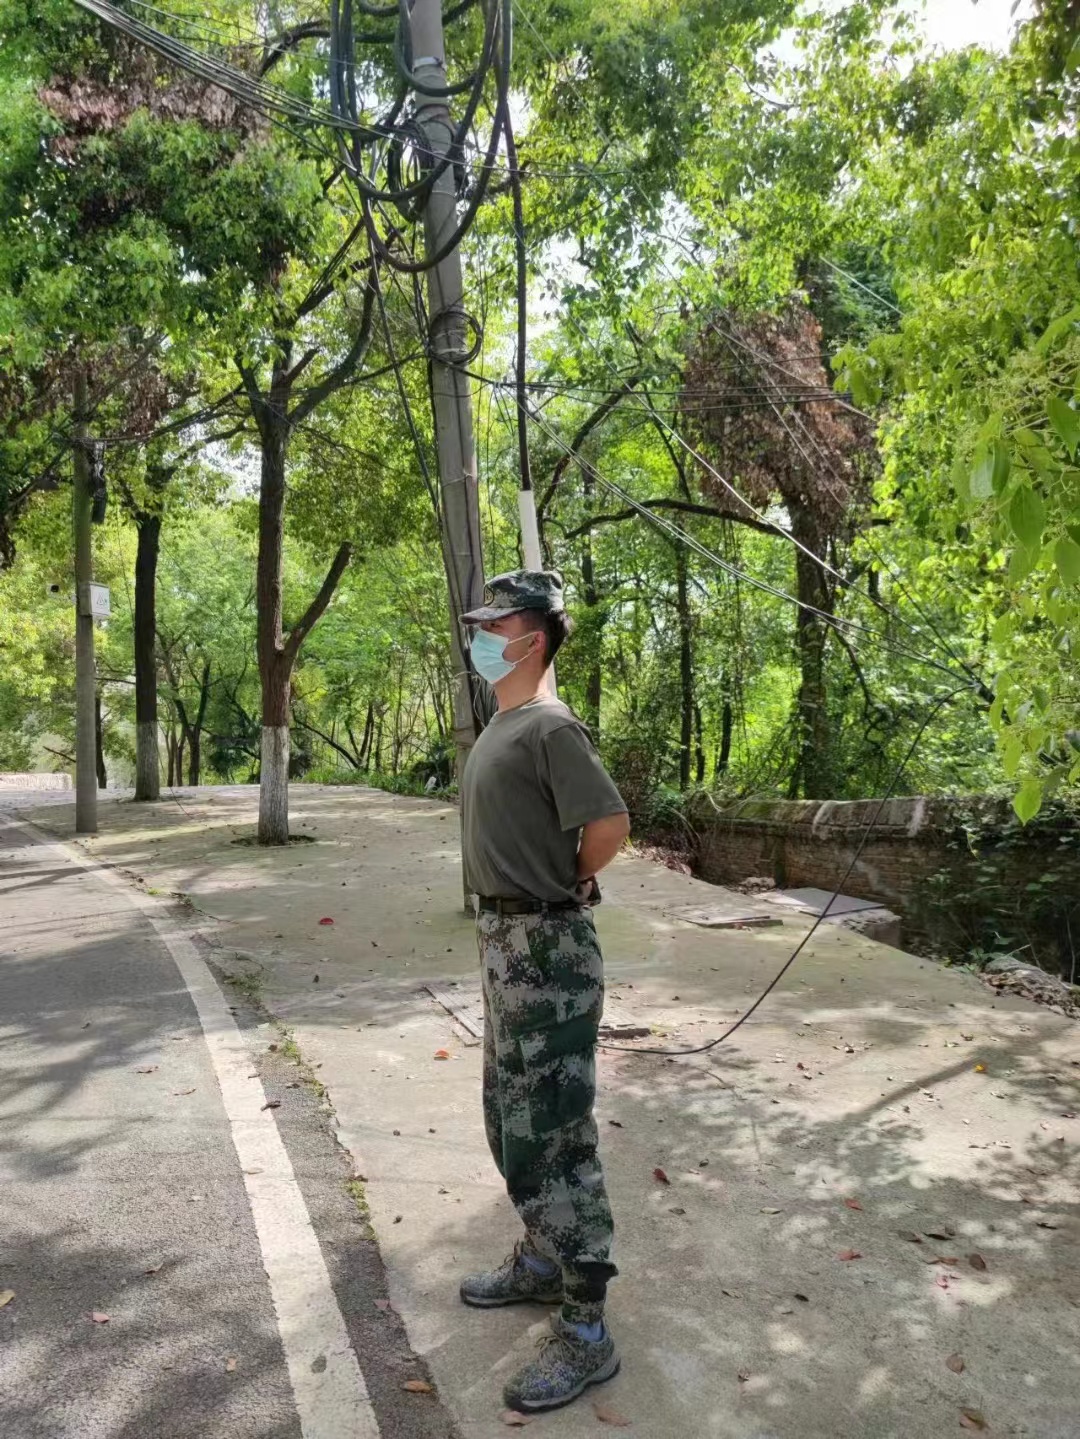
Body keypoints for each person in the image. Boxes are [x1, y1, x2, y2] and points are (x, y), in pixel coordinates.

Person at [457, 568, 630, 1415]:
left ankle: (587, 1325)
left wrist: (567, 880)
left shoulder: (552, 726)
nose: (481, 638)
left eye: (495, 627)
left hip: (545, 952)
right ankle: (540, 1258)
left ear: (532, 638)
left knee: (555, 1135)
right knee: (510, 1118)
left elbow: (610, 824)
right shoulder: (505, 723)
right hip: (504, 946)